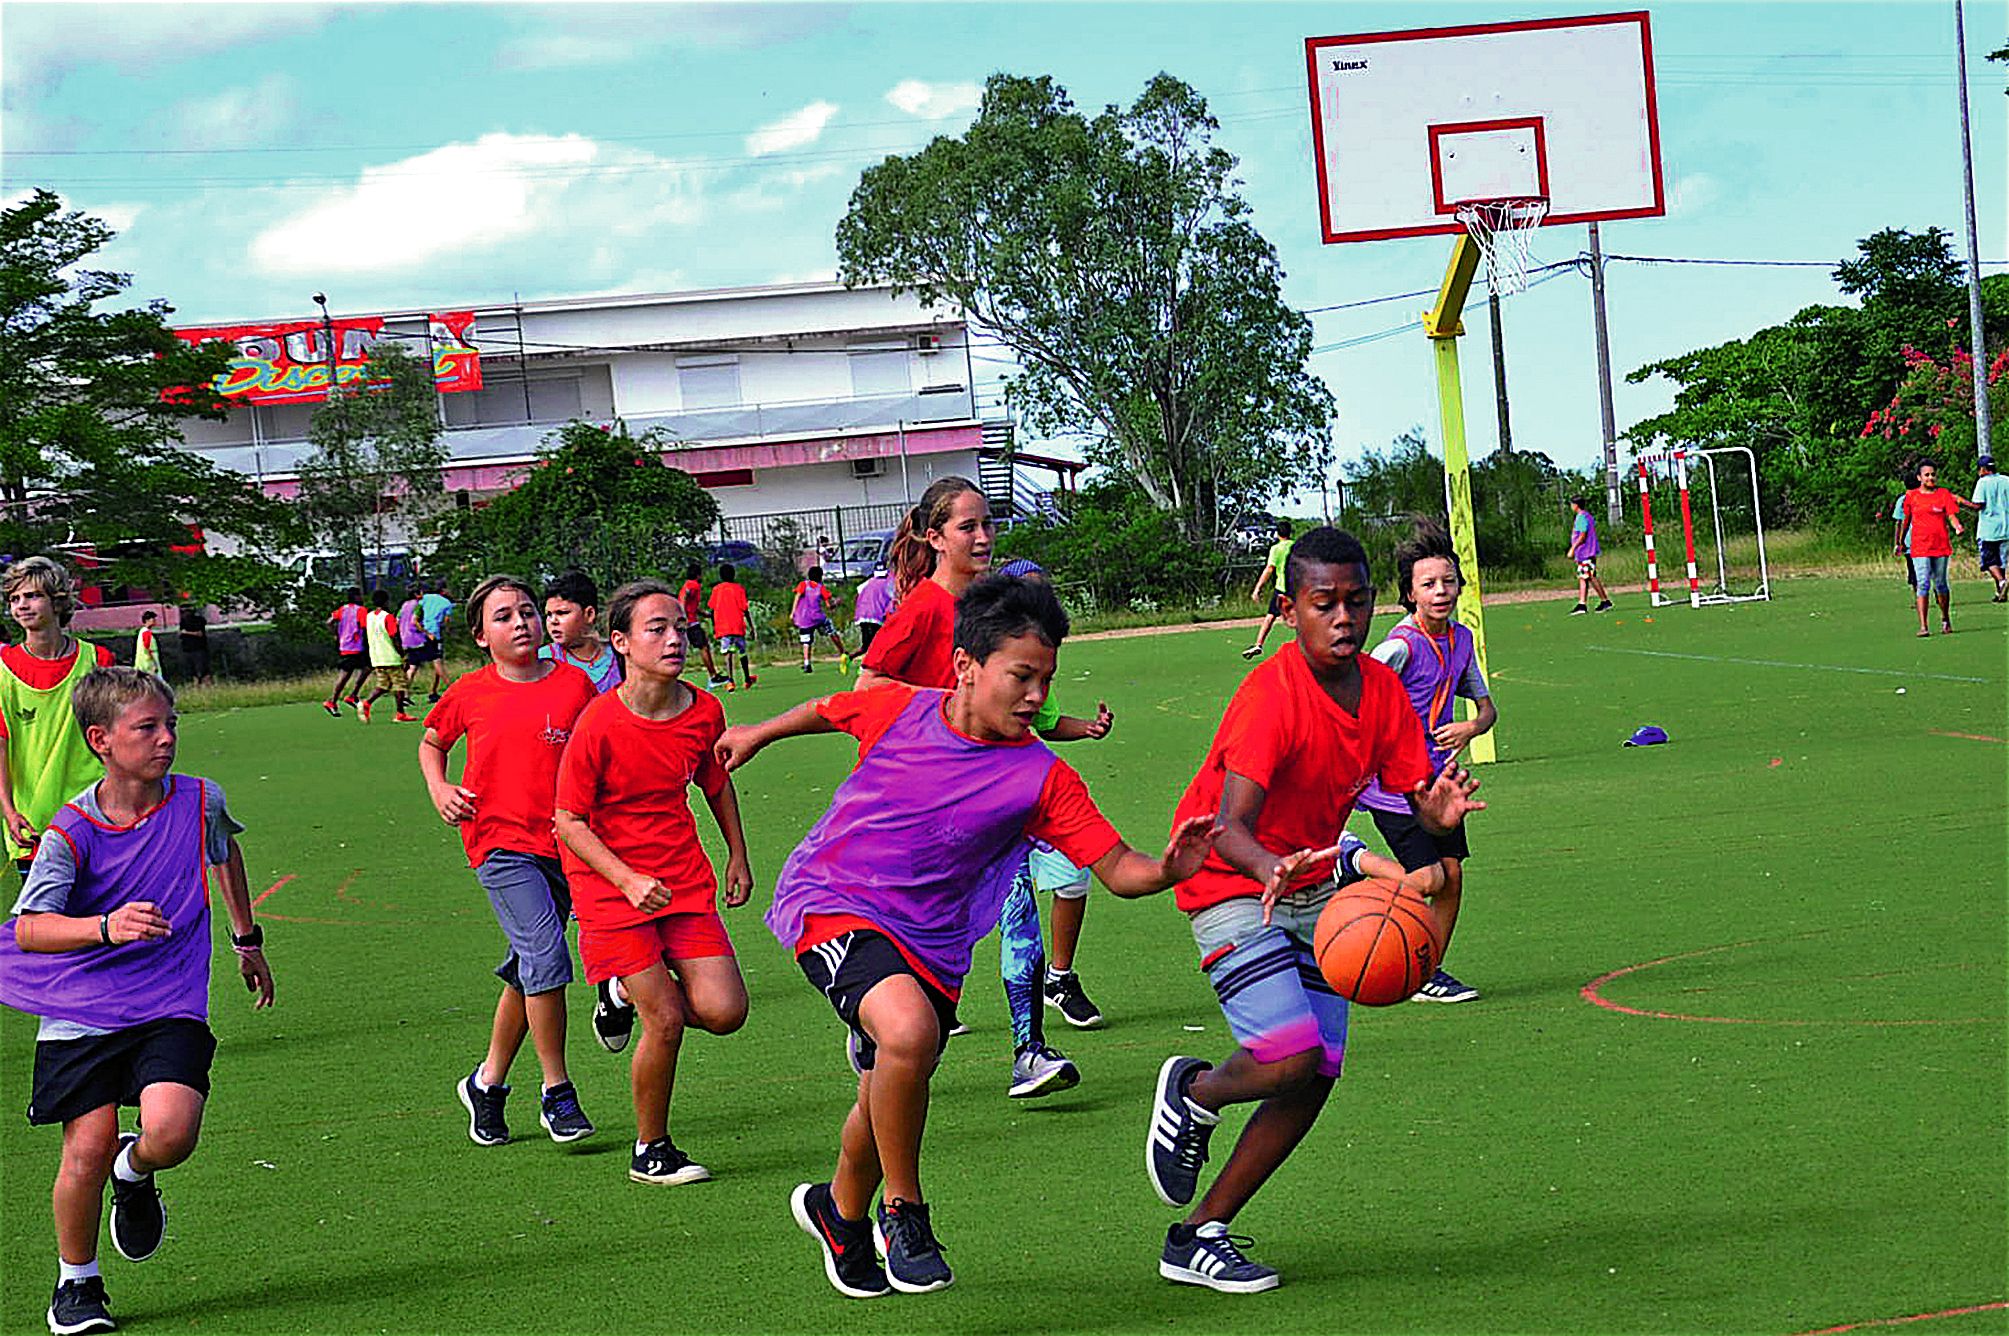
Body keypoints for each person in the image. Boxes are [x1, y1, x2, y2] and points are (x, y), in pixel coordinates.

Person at [716, 573, 1215, 1299]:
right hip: (834, 900)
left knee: (889, 1080)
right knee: (909, 1036)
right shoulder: (898, 708)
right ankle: (904, 1212)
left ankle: (838, 1211)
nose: (1037, 696)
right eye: (1021, 676)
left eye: (1046, 679)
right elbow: (828, 707)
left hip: (935, 947)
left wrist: (1170, 866)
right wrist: (758, 733)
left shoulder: (1041, 778)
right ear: (964, 667)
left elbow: (1119, 870)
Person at [1146, 525, 1482, 1293]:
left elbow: (1409, 799)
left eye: (1355, 602)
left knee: (1316, 1074)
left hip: (1312, 889)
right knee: (1289, 1055)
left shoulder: (1383, 691)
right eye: (1322, 603)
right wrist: (1272, 868)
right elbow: (1228, 827)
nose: (1341, 618)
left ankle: (1197, 1235)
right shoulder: (1271, 694)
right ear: (1289, 609)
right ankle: (1193, 1093)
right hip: (1231, 882)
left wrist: (1437, 817)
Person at [0, 667, 274, 1336]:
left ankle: (137, 1167)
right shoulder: (71, 832)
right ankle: (78, 1282)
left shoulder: (201, 800)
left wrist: (246, 938)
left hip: (167, 999)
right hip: (82, 1002)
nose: (165, 739)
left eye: (170, 724)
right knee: (84, 1149)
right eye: (146, 727)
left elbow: (224, 852)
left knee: (173, 1132)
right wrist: (106, 925)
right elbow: (31, 927)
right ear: (100, 739)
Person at [554, 581, 752, 1187]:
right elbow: (567, 820)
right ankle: (651, 1149)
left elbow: (714, 783)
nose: (675, 639)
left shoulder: (704, 711)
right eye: (656, 629)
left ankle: (618, 994)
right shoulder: (598, 723)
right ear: (621, 642)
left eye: (679, 627)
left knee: (725, 1012)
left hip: (682, 880)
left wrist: (737, 855)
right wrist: (626, 878)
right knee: (663, 1018)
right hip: (610, 888)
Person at [418, 575, 599, 1150]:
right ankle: (557, 1090)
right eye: (504, 617)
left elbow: (598, 750)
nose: (520, 623)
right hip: (499, 844)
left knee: (530, 965)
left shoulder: (574, 685)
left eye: (527, 612)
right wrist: (439, 787)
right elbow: (431, 741)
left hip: (566, 844)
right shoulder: (471, 692)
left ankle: (487, 1083)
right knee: (546, 955)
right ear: (481, 635)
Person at [1357, 521, 1496, 1005]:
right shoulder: (1397, 646)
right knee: (1429, 879)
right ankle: (1353, 864)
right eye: (1429, 584)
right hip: (1392, 784)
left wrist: (1471, 727)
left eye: (1448, 581)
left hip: (1440, 782)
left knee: (1452, 876)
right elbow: (1356, 701)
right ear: (1410, 594)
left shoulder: (1460, 639)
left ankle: (1427, 971)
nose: (1441, 591)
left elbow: (1487, 708)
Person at [991, 558, 1115, 1098]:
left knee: (1071, 878)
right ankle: (886, 1009)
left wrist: (1084, 728)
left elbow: (1042, 721)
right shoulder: (979, 655)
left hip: (1026, 800)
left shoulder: (1036, 666)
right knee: (953, 920)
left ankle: (1056, 986)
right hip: (971, 806)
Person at [0, 558, 114, 879]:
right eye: (15, 599)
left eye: (33, 596)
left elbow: (115, 736)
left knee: (108, 922)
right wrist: (9, 812)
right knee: (50, 926)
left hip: (96, 813)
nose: (22, 605)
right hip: (33, 823)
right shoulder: (2, 669)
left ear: (58, 601)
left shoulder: (98, 660)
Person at [854, 476, 994, 691]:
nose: (983, 538)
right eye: (968, 527)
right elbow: (867, 685)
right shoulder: (923, 607)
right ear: (936, 539)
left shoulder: (991, 602)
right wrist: (949, 703)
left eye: (987, 524)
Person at [1894, 459, 1966, 636]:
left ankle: (1945, 619)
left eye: (1933, 474)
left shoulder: (1943, 494)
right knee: (1923, 583)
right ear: (1919, 477)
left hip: (1940, 546)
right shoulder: (1912, 497)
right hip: (1919, 546)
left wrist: (1957, 526)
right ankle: (1923, 626)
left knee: (1940, 583)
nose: (1931, 477)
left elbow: (1951, 515)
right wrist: (1901, 542)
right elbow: (1906, 520)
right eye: (1927, 475)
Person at [540, 570, 622, 694]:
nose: (553, 621)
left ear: (589, 614)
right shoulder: (543, 659)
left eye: (562, 613)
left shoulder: (620, 656)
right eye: (549, 614)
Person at [357, 590, 414, 724]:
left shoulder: (369, 616)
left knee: (383, 685)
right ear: (386, 601)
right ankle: (400, 713)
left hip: (376, 657)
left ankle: (367, 703)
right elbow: (394, 637)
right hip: (391, 656)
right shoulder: (388, 617)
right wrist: (402, 654)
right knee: (399, 685)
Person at [1240, 519, 1294, 660]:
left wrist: (1257, 588)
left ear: (1277, 534)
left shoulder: (1276, 549)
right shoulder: (1296, 547)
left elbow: (1269, 569)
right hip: (1296, 588)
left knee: (1270, 616)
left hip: (1281, 588)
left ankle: (1259, 644)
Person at [706, 563, 756, 693]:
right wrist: (751, 626)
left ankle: (730, 681)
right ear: (734, 575)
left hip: (723, 627)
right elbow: (745, 609)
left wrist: (714, 626)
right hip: (737, 626)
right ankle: (746, 679)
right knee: (742, 652)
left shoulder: (716, 590)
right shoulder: (739, 589)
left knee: (727, 653)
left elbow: (712, 609)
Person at [791, 565, 850, 674]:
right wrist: (836, 602)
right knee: (831, 631)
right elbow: (829, 605)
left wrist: (793, 612)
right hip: (818, 617)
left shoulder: (803, 585)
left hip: (804, 619)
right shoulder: (821, 588)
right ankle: (843, 653)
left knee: (806, 641)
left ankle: (807, 663)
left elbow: (797, 597)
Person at [677, 562, 726, 689]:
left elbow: (692, 605)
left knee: (697, 647)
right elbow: (683, 598)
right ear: (698, 575)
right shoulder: (693, 585)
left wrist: (706, 614)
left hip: (691, 621)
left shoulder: (691, 585)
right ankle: (713, 677)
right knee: (703, 647)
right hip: (690, 623)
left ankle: (713, 675)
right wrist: (683, 617)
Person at [1967, 456, 2008, 602]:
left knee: (1989, 561)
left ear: (1983, 469)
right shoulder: (2006, 480)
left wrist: (1960, 502)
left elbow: (1978, 505)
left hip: (1988, 530)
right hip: (2006, 528)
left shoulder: (1983, 482)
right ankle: (2000, 593)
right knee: (2001, 562)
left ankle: (2002, 582)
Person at [324, 588, 369, 717]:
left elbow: (329, 622)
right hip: (355, 646)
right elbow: (365, 626)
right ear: (355, 597)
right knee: (345, 675)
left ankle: (352, 695)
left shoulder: (343, 609)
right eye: (360, 595)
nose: (362, 597)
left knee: (367, 667)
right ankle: (332, 701)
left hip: (345, 645)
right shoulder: (360, 610)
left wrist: (336, 634)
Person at [1568, 497, 1613, 614]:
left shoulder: (1582, 517)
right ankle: (1587, 603)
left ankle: (1596, 602)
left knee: (1587, 576)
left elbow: (1582, 535)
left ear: (1576, 505)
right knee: (1586, 577)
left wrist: (1573, 548)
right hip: (1585, 552)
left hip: (1585, 552)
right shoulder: (1586, 516)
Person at [417, 580, 456, 701]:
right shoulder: (446, 603)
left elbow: (419, 608)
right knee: (438, 662)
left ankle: (433, 692)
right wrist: (447, 629)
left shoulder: (426, 598)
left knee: (436, 662)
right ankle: (453, 690)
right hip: (435, 633)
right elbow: (446, 620)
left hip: (425, 631)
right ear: (443, 590)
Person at [852, 561, 894, 657]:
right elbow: (895, 598)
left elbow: (857, 594)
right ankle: (870, 666)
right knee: (879, 644)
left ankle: (849, 657)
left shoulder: (869, 582)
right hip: (877, 616)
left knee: (866, 646)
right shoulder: (890, 581)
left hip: (862, 615)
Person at [175, 605, 210, 684]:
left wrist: (186, 632)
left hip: (199, 649)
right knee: (192, 670)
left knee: (202, 669)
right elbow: (180, 633)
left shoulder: (199, 621)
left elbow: (200, 633)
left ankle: (205, 684)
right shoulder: (183, 622)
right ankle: (196, 684)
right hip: (188, 649)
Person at [131, 612, 162, 679]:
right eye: (153, 619)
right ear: (147, 620)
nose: (154, 621)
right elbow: (147, 647)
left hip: (142, 662)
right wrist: (154, 663)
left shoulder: (142, 632)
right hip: (148, 663)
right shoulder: (146, 633)